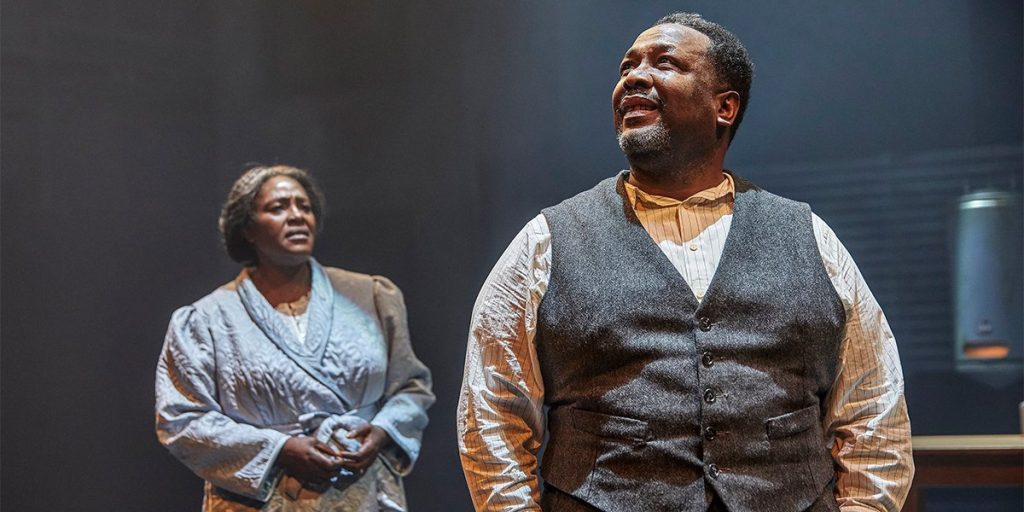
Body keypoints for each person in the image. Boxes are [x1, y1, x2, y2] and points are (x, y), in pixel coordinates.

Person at [458, 12, 913, 512]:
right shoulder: (547, 241)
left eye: (665, 63)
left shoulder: (809, 236)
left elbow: (873, 407)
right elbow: (492, 417)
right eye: (627, 66)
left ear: (724, 107)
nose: (634, 76)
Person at [156, 165, 434, 511]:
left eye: (304, 207)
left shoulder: (371, 297)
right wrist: (280, 450)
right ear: (247, 228)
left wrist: (382, 431)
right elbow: (181, 418)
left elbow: (411, 386)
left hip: (363, 490)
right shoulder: (206, 320)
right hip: (262, 499)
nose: (297, 216)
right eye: (278, 208)